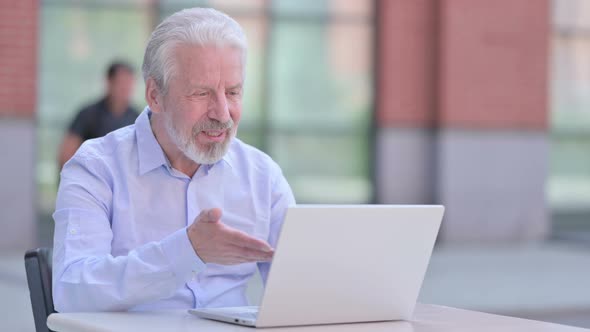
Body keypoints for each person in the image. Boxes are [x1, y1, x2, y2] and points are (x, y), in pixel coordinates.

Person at [52, 8, 295, 312]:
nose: (222, 113)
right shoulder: (96, 168)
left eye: (232, 92)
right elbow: (71, 290)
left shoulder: (263, 177)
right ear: (155, 96)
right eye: (201, 93)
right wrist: (186, 251)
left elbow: (299, 292)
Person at [58, 61, 139, 169]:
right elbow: (66, 154)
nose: (125, 89)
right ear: (109, 82)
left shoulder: (136, 118)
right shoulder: (88, 115)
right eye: (121, 83)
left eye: (129, 84)